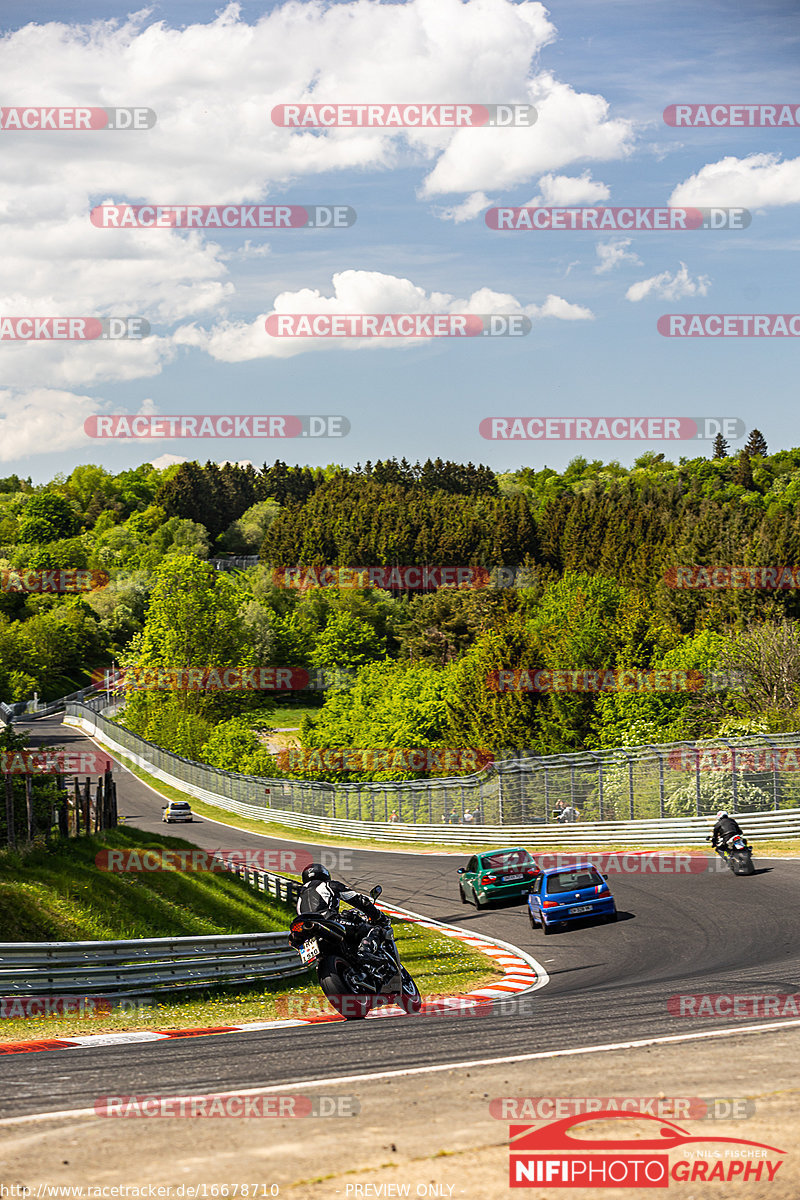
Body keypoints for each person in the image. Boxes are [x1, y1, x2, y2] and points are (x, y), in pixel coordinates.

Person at [296, 863, 391, 969]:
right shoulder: (327, 885)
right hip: (329, 922)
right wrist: (378, 916)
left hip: (310, 933)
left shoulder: (300, 897)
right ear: (324, 874)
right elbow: (360, 900)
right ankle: (365, 952)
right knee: (376, 930)